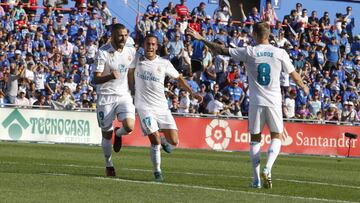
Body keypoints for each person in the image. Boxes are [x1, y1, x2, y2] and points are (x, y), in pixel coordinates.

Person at [188, 22, 309, 189]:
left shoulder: (249, 51)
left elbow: (221, 50)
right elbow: (294, 75)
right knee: (276, 136)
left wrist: (201, 38)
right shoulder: (280, 53)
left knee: (255, 139)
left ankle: (256, 180)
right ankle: (268, 168)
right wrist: (303, 86)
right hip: (274, 101)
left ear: (254, 34)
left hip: (256, 101)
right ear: (269, 35)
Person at [129, 34, 200, 182]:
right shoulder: (137, 59)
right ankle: (157, 172)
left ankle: (163, 139)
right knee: (154, 140)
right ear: (143, 45)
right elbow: (129, 72)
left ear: (157, 46)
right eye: (148, 44)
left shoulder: (164, 63)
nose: (150, 47)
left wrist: (192, 92)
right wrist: (131, 91)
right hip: (144, 107)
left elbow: (178, 78)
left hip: (162, 107)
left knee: (174, 141)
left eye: (153, 44)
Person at [93, 23, 136, 177]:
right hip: (105, 96)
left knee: (130, 126)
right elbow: (95, 79)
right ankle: (109, 164)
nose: (123, 38)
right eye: (120, 35)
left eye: (125, 35)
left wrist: (134, 93)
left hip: (123, 95)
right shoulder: (102, 53)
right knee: (106, 133)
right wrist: (110, 76)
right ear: (112, 36)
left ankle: (119, 134)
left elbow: (130, 73)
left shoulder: (131, 51)